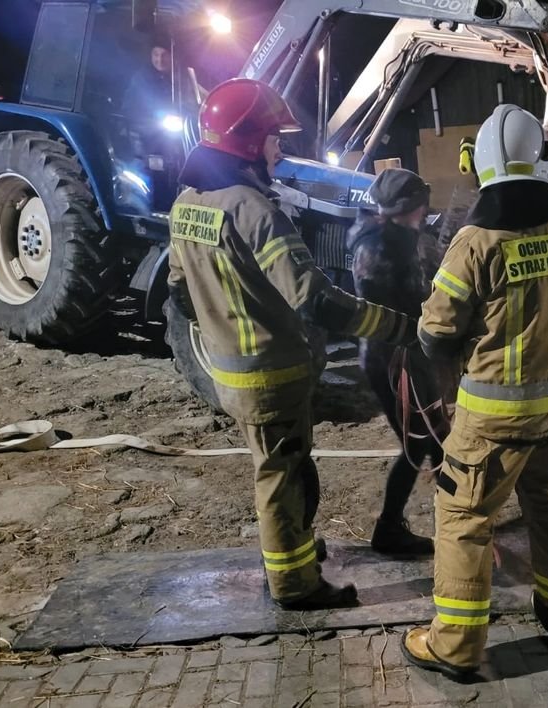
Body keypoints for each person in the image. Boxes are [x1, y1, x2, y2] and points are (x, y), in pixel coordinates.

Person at [166, 78, 419, 610]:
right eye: (273, 138)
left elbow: (178, 289)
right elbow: (316, 299)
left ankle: (293, 549)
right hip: (272, 375)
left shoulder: (187, 204)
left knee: (279, 467)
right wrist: (402, 328)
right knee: (284, 476)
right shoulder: (254, 210)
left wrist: (228, 326)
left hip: (232, 372)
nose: (280, 148)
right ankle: (294, 583)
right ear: (247, 141)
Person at [400, 104, 548, 679]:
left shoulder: (473, 244)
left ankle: (456, 646)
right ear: (541, 161)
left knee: (463, 517)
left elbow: (436, 332)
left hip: (491, 420)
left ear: (480, 165)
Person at [347, 168, 451, 558]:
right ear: (412, 206)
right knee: (422, 442)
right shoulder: (378, 245)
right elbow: (391, 297)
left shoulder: (398, 238)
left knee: (435, 438)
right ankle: (390, 528)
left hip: (407, 357)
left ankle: (457, 519)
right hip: (392, 361)